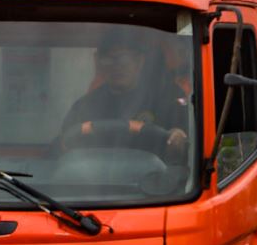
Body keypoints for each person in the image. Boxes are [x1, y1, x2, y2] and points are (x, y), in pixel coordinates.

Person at [59, 30, 190, 159]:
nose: (116, 67)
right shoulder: (84, 107)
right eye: (108, 60)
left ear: (139, 61)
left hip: (153, 178)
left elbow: (188, 143)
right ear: (99, 63)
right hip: (94, 178)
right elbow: (62, 145)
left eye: (124, 59)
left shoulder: (167, 98)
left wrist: (177, 137)